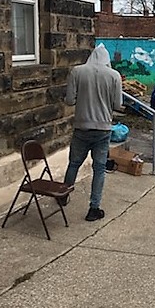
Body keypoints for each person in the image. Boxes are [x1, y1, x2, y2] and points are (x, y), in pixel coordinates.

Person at [63, 44, 122, 222]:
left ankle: (63, 195)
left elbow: (69, 100)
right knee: (99, 169)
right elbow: (117, 105)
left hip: (81, 127)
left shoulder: (77, 71)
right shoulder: (114, 76)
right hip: (103, 129)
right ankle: (94, 208)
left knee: (74, 164)